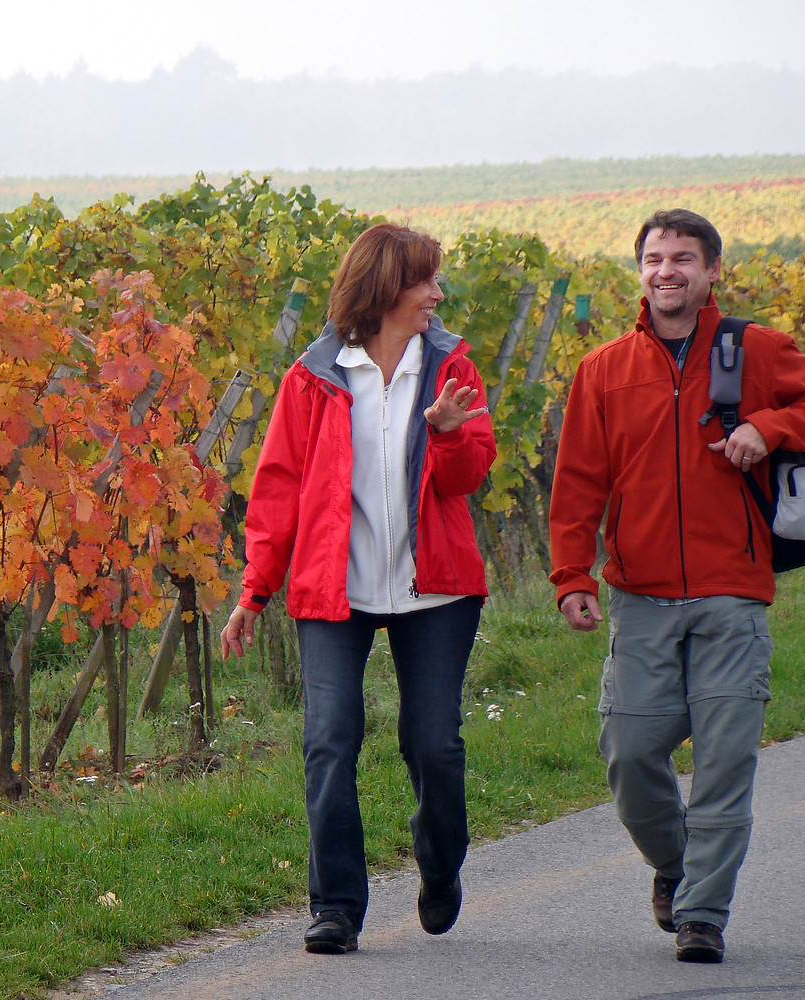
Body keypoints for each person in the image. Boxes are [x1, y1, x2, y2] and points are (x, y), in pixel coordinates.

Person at [549, 209, 805, 964]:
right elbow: (579, 482)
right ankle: (677, 865)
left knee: (724, 763)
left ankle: (702, 916)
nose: (668, 271)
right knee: (629, 751)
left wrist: (768, 427)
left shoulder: (757, 350)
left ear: (712, 270)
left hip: (732, 593)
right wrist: (570, 576)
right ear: (640, 271)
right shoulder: (604, 369)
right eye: (655, 259)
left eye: (683, 258)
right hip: (640, 594)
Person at [220, 222, 496, 954]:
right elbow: (277, 488)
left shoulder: (453, 369)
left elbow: (470, 477)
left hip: (435, 589)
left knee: (433, 744)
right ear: (385, 288)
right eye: (425, 280)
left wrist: (447, 434)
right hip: (333, 590)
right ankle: (336, 906)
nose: (437, 293)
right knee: (329, 739)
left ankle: (440, 863)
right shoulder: (313, 377)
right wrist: (254, 590)